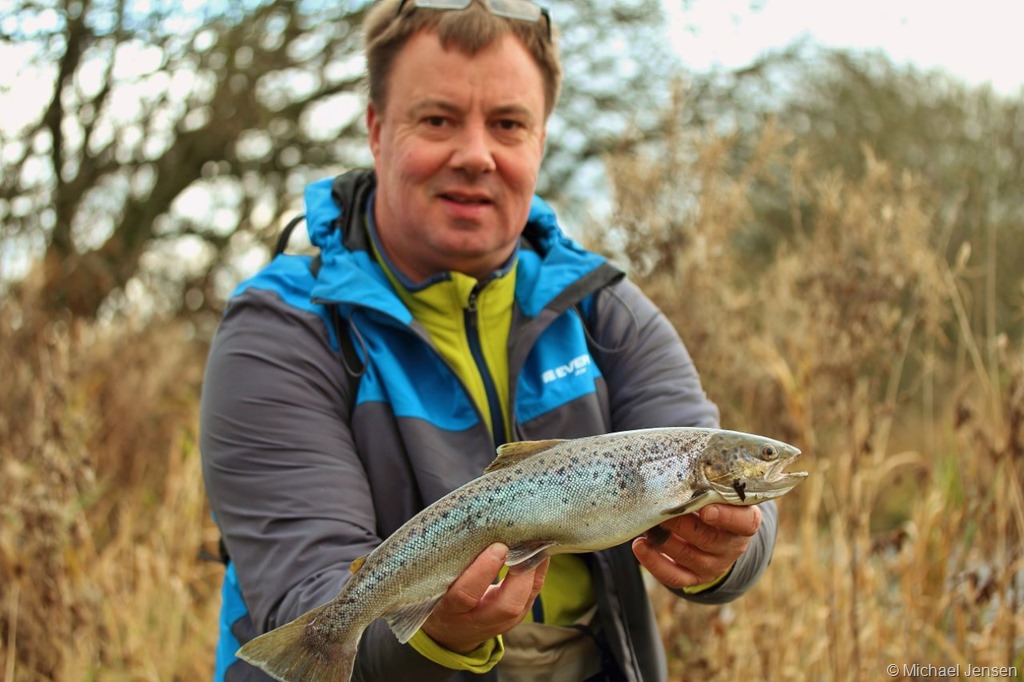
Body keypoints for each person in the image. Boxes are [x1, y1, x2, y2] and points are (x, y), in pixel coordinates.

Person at [200, 1, 779, 680]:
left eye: (507, 124)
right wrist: (440, 634)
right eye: (438, 119)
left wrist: (728, 550)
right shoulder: (279, 330)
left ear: (539, 141)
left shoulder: (608, 312)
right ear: (376, 129)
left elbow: (744, 518)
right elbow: (306, 601)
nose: (475, 155)